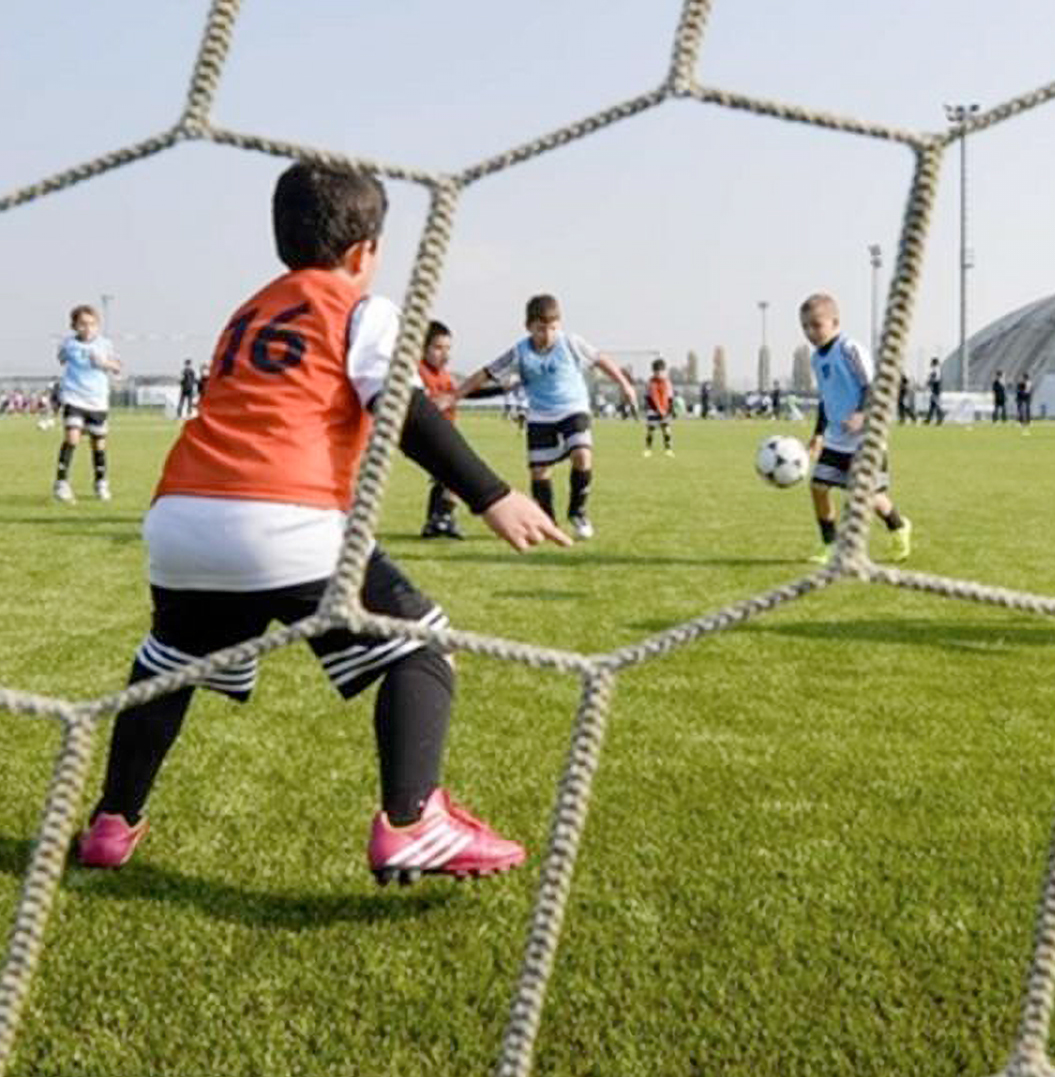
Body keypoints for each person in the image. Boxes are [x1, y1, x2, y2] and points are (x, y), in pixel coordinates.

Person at [73, 161, 567, 883]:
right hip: (285, 518)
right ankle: (411, 820)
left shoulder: (247, 311)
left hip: (179, 518)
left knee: (168, 668)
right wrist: (491, 494)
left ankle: (110, 825)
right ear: (365, 250)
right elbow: (397, 402)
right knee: (423, 646)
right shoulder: (360, 306)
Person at [455, 294, 637, 542]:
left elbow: (601, 360)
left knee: (582, 454)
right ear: (528, 327)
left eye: (553, 328)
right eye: (541, 329)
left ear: (559, 325)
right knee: (540, 471)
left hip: (573, 409)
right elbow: (485, 373)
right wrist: (455, 395)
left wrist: (624, 385)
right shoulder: (519, 352)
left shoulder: (571, 343)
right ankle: (547, 520)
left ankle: (578, 511)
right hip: (540, 415)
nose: (548, 335)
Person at [798, 294, 912, 564]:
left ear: (834, 322)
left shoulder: (850, 349)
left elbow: (873, 385)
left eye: (816, 325)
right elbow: (826, 399)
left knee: (870, 497)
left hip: (865, 438)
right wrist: (818, 434)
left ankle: (898, 526)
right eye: (805, 327)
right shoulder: (816, 359)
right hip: (837, 439)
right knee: (818, 487)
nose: (810, 332)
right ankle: (830, 544)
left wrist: (863, 413)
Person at [53, 304, 123, 501]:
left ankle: (101, 482)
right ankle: (61, 483)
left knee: (98, 444)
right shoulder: (68, 344)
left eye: (92, 324)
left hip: (97, 400)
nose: (87, 328)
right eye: (82, 324)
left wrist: (105, 363)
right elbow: (61, 358)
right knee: (72, 437)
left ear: (97, 326)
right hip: (74, 397)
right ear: (74, 326)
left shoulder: (104, 345)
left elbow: (118, 367)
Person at [417, 320, 465, 539]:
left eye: (447, 349)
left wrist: (503, 387)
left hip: (445, 432)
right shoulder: (417, 373)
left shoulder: (444, 375)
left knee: (445, 478)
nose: (445, 355)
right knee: (458, 473)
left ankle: (435, 522)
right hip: (428, 433)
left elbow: (464, 393)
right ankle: (442, 519)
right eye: (438, 348)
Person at [644, 357, 676, 456]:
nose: (658, 373)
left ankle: (668, 449)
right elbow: (648, 397)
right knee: (651, 430)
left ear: (664, 371)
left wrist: (669, 410)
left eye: (660, 371)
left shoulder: (667, 382)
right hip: (653, 410)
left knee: (666, 430)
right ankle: (648, 449)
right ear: (653, 371)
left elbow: (670, 397)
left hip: (665, 409)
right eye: (656, 371)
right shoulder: (651, 382)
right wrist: (655, 409)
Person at [925, 357, 945, 424]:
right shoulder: (935, 369)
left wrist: (929, 381)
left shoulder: (936, 369)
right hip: (935, 388)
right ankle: (928, 420)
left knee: (936, 403)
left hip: (936, 388)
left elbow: (936, 379)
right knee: (932, 404)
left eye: (932, 362)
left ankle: (940, 417)